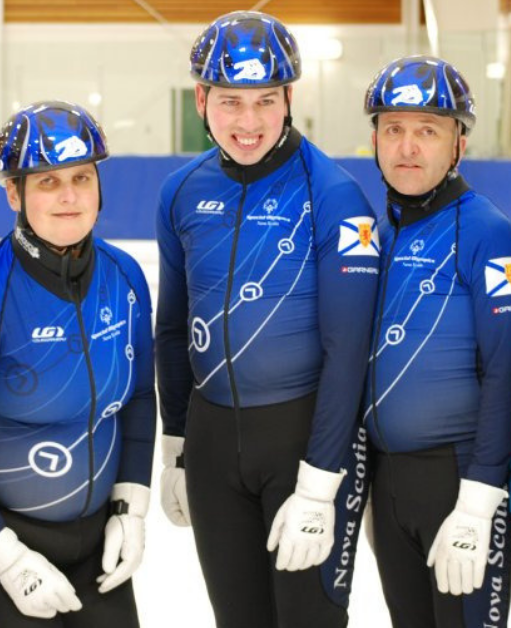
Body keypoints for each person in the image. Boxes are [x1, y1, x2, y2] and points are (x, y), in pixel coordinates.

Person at [155, 11, 379, 627]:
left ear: (288, 99)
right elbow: (172, 330)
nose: (248, 122)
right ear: (202, 99)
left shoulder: (335, 196)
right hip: (210, 446)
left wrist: (320, 480)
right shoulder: (180, 192)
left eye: (265, 101)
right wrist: (175, 441)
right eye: (230, 102)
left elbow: (349, 352)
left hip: (304, 440)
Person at [0, 100, 156, 627]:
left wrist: (130, 506)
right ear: (14, 192)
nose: (68, 197)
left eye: (81, 178)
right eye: (46, 182)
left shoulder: (126, 275)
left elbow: (138, 397)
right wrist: (10, 562)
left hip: (89, 538)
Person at [360, 56, 511, 628]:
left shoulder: (488, 231)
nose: (408, 147)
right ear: (374, 139)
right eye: (394, 129)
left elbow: (506, 373)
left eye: (428, 130)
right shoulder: (373, 233)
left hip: (458, 481)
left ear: (459, 144)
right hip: (386, 480)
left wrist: (479, 503)